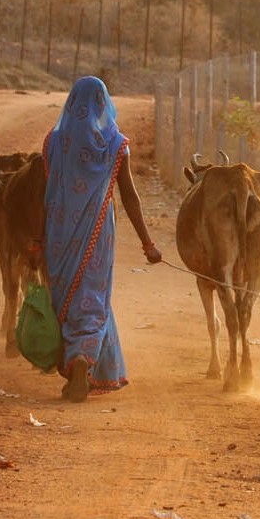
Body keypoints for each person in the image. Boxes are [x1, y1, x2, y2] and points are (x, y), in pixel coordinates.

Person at [42, 76, 163, 402]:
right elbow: (130, 197)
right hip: (98, 235)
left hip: (58, 235)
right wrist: (147, 243)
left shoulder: (54, 143)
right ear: (104, 104)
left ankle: (74, 365)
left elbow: (49, 192)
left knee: (65, 300)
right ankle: (84, 359)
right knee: (93, 299)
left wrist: (36, 239)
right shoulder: (115, 144)